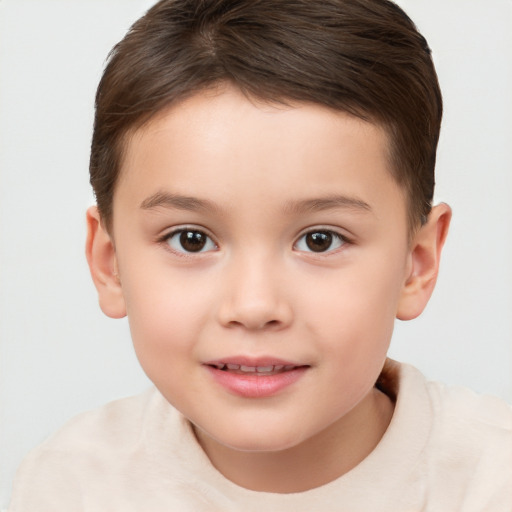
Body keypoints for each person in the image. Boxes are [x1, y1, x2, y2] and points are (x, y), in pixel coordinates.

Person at [8, 0, 512, 510]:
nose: (253, 306)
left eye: (321, 239)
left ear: (416, 263)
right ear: (109, 262)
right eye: (191, 239)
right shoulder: (69, 486)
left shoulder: (493, 483)